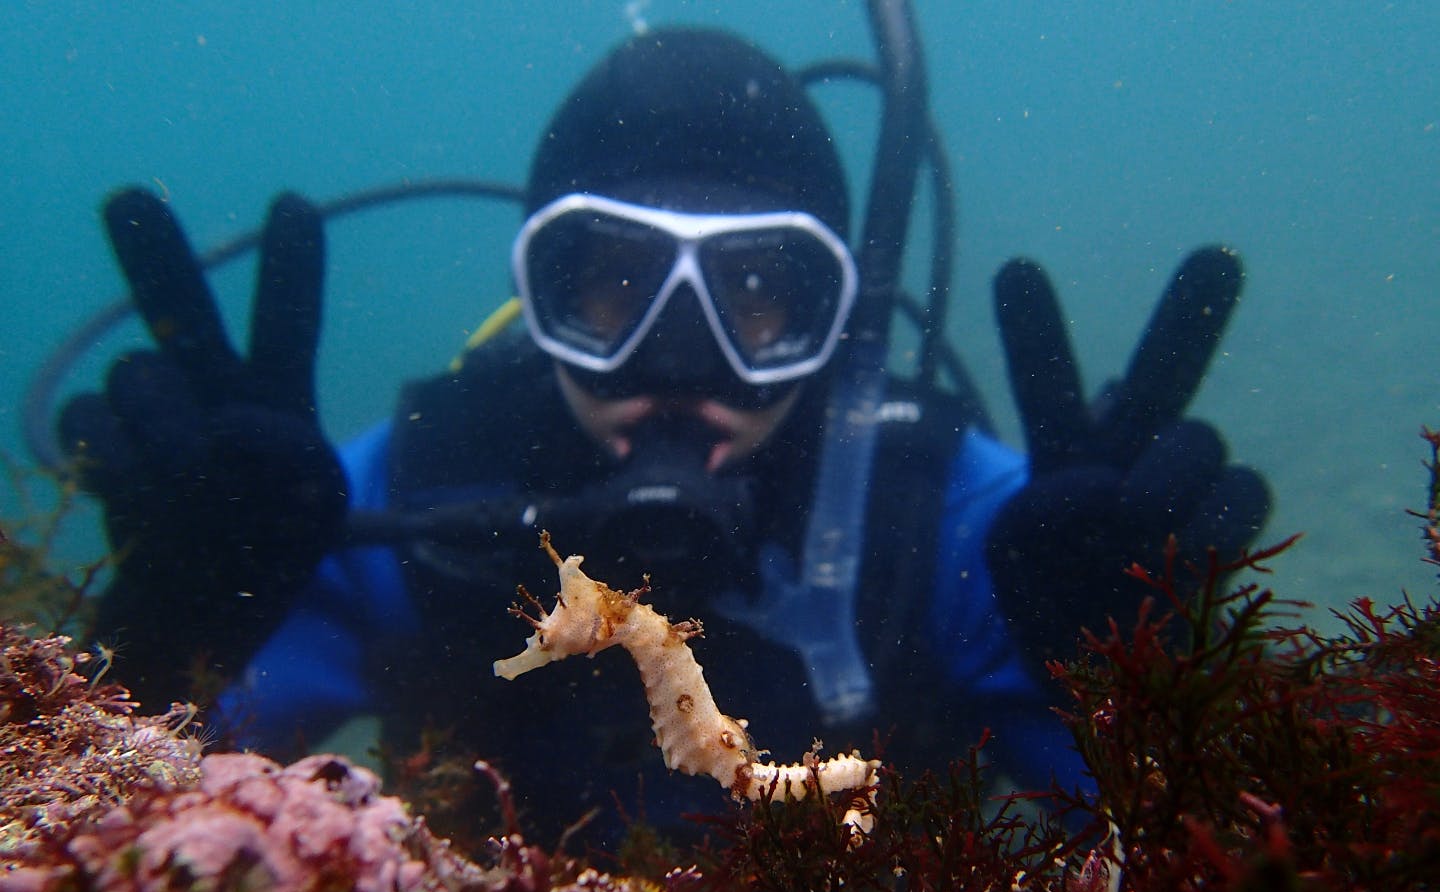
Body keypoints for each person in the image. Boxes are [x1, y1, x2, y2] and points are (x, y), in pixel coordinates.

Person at [56, 24, 1269, 838]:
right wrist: (158, 651)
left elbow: (1212, 878)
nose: (685, 367)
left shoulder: (955, 522)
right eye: (616, 289)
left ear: (835, 312)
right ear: (542, 302)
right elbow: (107, 844)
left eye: (757, 296)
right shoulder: (402, 498)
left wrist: (1152, 693)